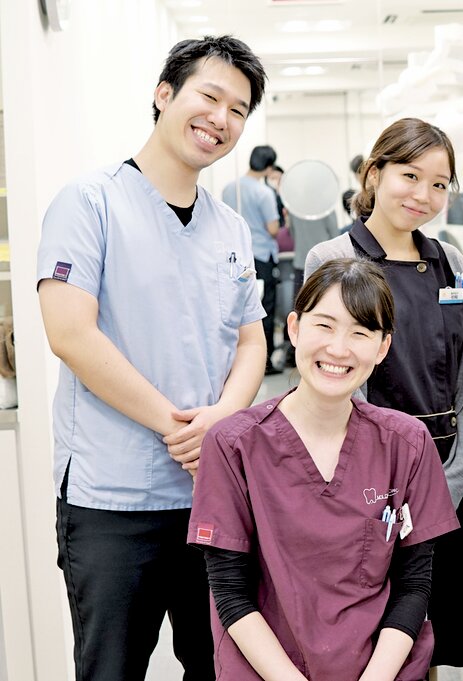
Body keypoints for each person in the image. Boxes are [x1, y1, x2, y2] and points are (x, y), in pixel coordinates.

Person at [36, 36, 268, 681]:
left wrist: (222, 417)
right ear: (164, 95)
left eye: (239, 109)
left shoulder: (228, 228)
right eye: (209, 96)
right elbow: (70, 334)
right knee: (111, 669)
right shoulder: (89, 202)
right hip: (113, 498)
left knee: (219, 666)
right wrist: (179, 425)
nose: (221, 118)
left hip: (211, 497)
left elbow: (252, 339)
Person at [188, 258, 460, 680]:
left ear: (383, 346)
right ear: (294, 328)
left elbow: (414, 585)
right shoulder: (233, 444)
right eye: (325, 325)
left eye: (360, 332)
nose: (338, 348)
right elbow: (229, 591)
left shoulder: (407, 444)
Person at [305, 118, 463, 672]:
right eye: (410, 175)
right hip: (372, 475)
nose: (423, 195)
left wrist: (451, 481)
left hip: (447, 470)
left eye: (439, 184)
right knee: (378, 630)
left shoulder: (448, 260)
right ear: (375, 173)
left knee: (438, 628)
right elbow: (329, 374)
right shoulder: (334, 258)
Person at [224, 144, 282, 374]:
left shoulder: (230, 188)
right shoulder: (264, 193)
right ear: (268, 167)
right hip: (262, 257)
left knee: (239, 308)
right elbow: (273, 228)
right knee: (262, 309)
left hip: (237, 259)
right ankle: (264, 363)